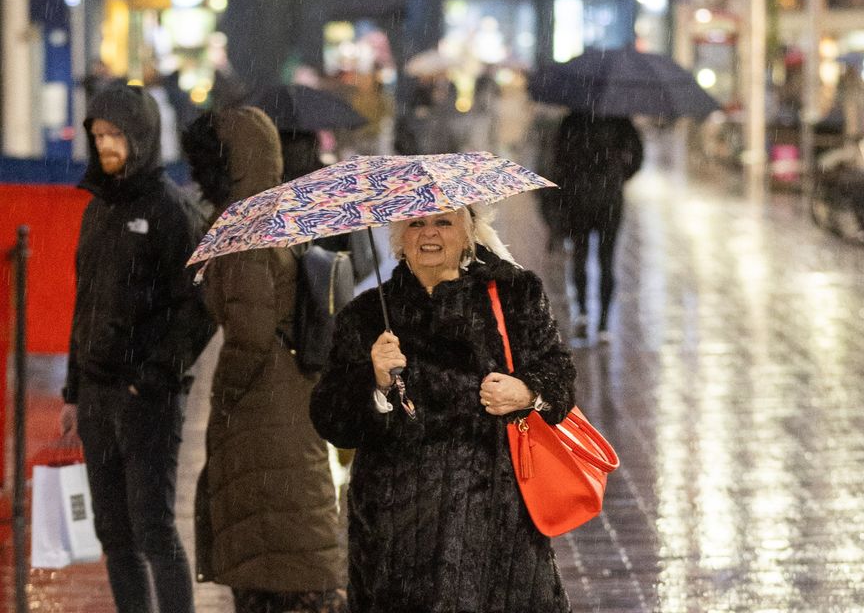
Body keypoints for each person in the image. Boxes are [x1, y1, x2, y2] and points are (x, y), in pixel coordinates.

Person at [310, 205, 577, 613]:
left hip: (498, 530)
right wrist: (376, 382)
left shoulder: (514, 294)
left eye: (443, 222)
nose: (428, 234)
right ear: (399, 237)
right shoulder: (366, 316)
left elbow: (559, 374)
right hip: (397, 537)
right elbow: (331, 419)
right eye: (415, 223)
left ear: (468, 232)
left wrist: (526, 391)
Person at [181, 106, 347, 613]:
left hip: (261, 406)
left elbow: (249, 334)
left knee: (269, 558)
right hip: (292, 393)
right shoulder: (280, 215)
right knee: (293, 543)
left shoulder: (243, 231)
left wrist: (225, 395)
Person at [60, 81, 215, 613]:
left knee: (153, 531)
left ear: (142, 136)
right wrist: (72, 389)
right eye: (98, 133)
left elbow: (198, 308)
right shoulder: (97, 208)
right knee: (114, 535)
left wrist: (151, 376)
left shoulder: (173, 212)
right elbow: (85, 302)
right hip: (98, 397)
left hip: (147, 399)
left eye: (115, 134)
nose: (105, 144)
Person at [554, 112, 644, 342]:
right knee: (606, 259)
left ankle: (583, 312)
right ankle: (603, 323)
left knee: (580, 256)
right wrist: (619, 176)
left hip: (579, 199)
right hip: (609, 201)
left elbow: (558, 158)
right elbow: (638, 157)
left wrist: (573, 180)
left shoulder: (573, 119)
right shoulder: (621, 120)